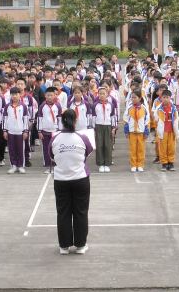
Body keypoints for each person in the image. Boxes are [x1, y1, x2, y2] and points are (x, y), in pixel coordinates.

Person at [49, 108, 93, 255]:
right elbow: (88, 153)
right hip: (80, 179)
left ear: (62, 121)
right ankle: (81, 245)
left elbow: (51, 156)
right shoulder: (82, 138)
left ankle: (64, 245)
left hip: (61, 180)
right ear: (76, 121)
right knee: (81, 211)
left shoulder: (55, 139)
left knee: (63, 212)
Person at [2, 87, 29, 174]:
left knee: (20, 149)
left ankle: (20, 165)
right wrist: (5, 130)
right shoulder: (7, 106)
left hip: (20, 131)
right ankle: (13, 165)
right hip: (10, 131)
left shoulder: (23, 106)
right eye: (13, 94)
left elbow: (25, 119)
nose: (14, 96)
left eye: (16, 94)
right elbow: (5, 119)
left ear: (19, 95)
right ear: (10, 95)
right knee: (11, 149)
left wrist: (25, 131)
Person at [123, 89, 150, 172]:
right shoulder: (129, 108)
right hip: (132, 132)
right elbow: (125, 120)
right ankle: (133, 165)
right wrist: (126, 131)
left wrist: (146, 132)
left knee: (141, 149)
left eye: (135, 97)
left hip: (141, 132)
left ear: (140, 98)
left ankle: (140, 164)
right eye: (132, 98)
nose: (133, 99)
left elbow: (147, 121)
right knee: (132, 149)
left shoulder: (144, 109)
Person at [92, 86, 116, 173]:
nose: (102, 95)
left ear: (107, 94)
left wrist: (113, 128)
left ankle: (107, 163)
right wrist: (93, 129)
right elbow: (93, 117)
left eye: (103, 94)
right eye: (100, 94)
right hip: (98, 126)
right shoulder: (95, 105)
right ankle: (101, 163)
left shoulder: (110, 105)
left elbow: (113, 117)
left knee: (107, 145)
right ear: (98, 94)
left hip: (108, 126)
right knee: (99, 145)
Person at [154, 90, 179, 172]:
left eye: (167, 97)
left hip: (171, 131)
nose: (165, 99)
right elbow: (156, 119)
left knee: (171, 148)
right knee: (163, 148)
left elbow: (176, 119)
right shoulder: (159, 108)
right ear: (161, 98)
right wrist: (157, 129)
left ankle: (171, 162)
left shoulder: (173, 108)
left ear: (170, 98)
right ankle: (164, 163)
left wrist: (176, 130)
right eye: (164, 97)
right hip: (163, 131)